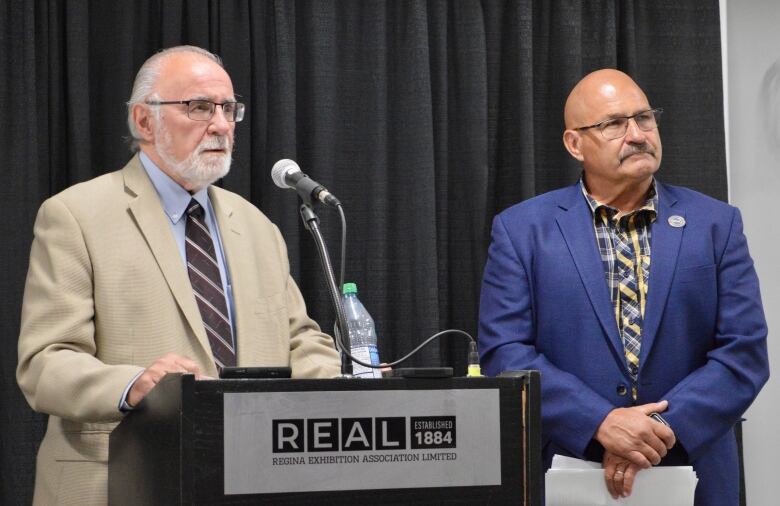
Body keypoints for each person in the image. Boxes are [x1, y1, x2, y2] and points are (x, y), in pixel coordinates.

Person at [17, 45, 340, 505]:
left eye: (229, 109)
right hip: (123, 481)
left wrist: (350, 381)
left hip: (248, 479)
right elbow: (45, 362)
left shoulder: (257, 227)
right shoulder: (75, 215)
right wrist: (133, 384)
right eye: (199, 107)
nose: (222, 125)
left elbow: (299, 340)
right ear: (143, 121)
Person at [478, 69, 769, 505]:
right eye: (614, 124)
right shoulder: (522, 230)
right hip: (569, 466)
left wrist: (659, 431)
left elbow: (743, 351)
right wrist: (600, 422)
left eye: (645, 118)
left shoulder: (716, 224)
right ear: (575, 144)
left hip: (695, 473)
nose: (637, 134)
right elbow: (505, 353)